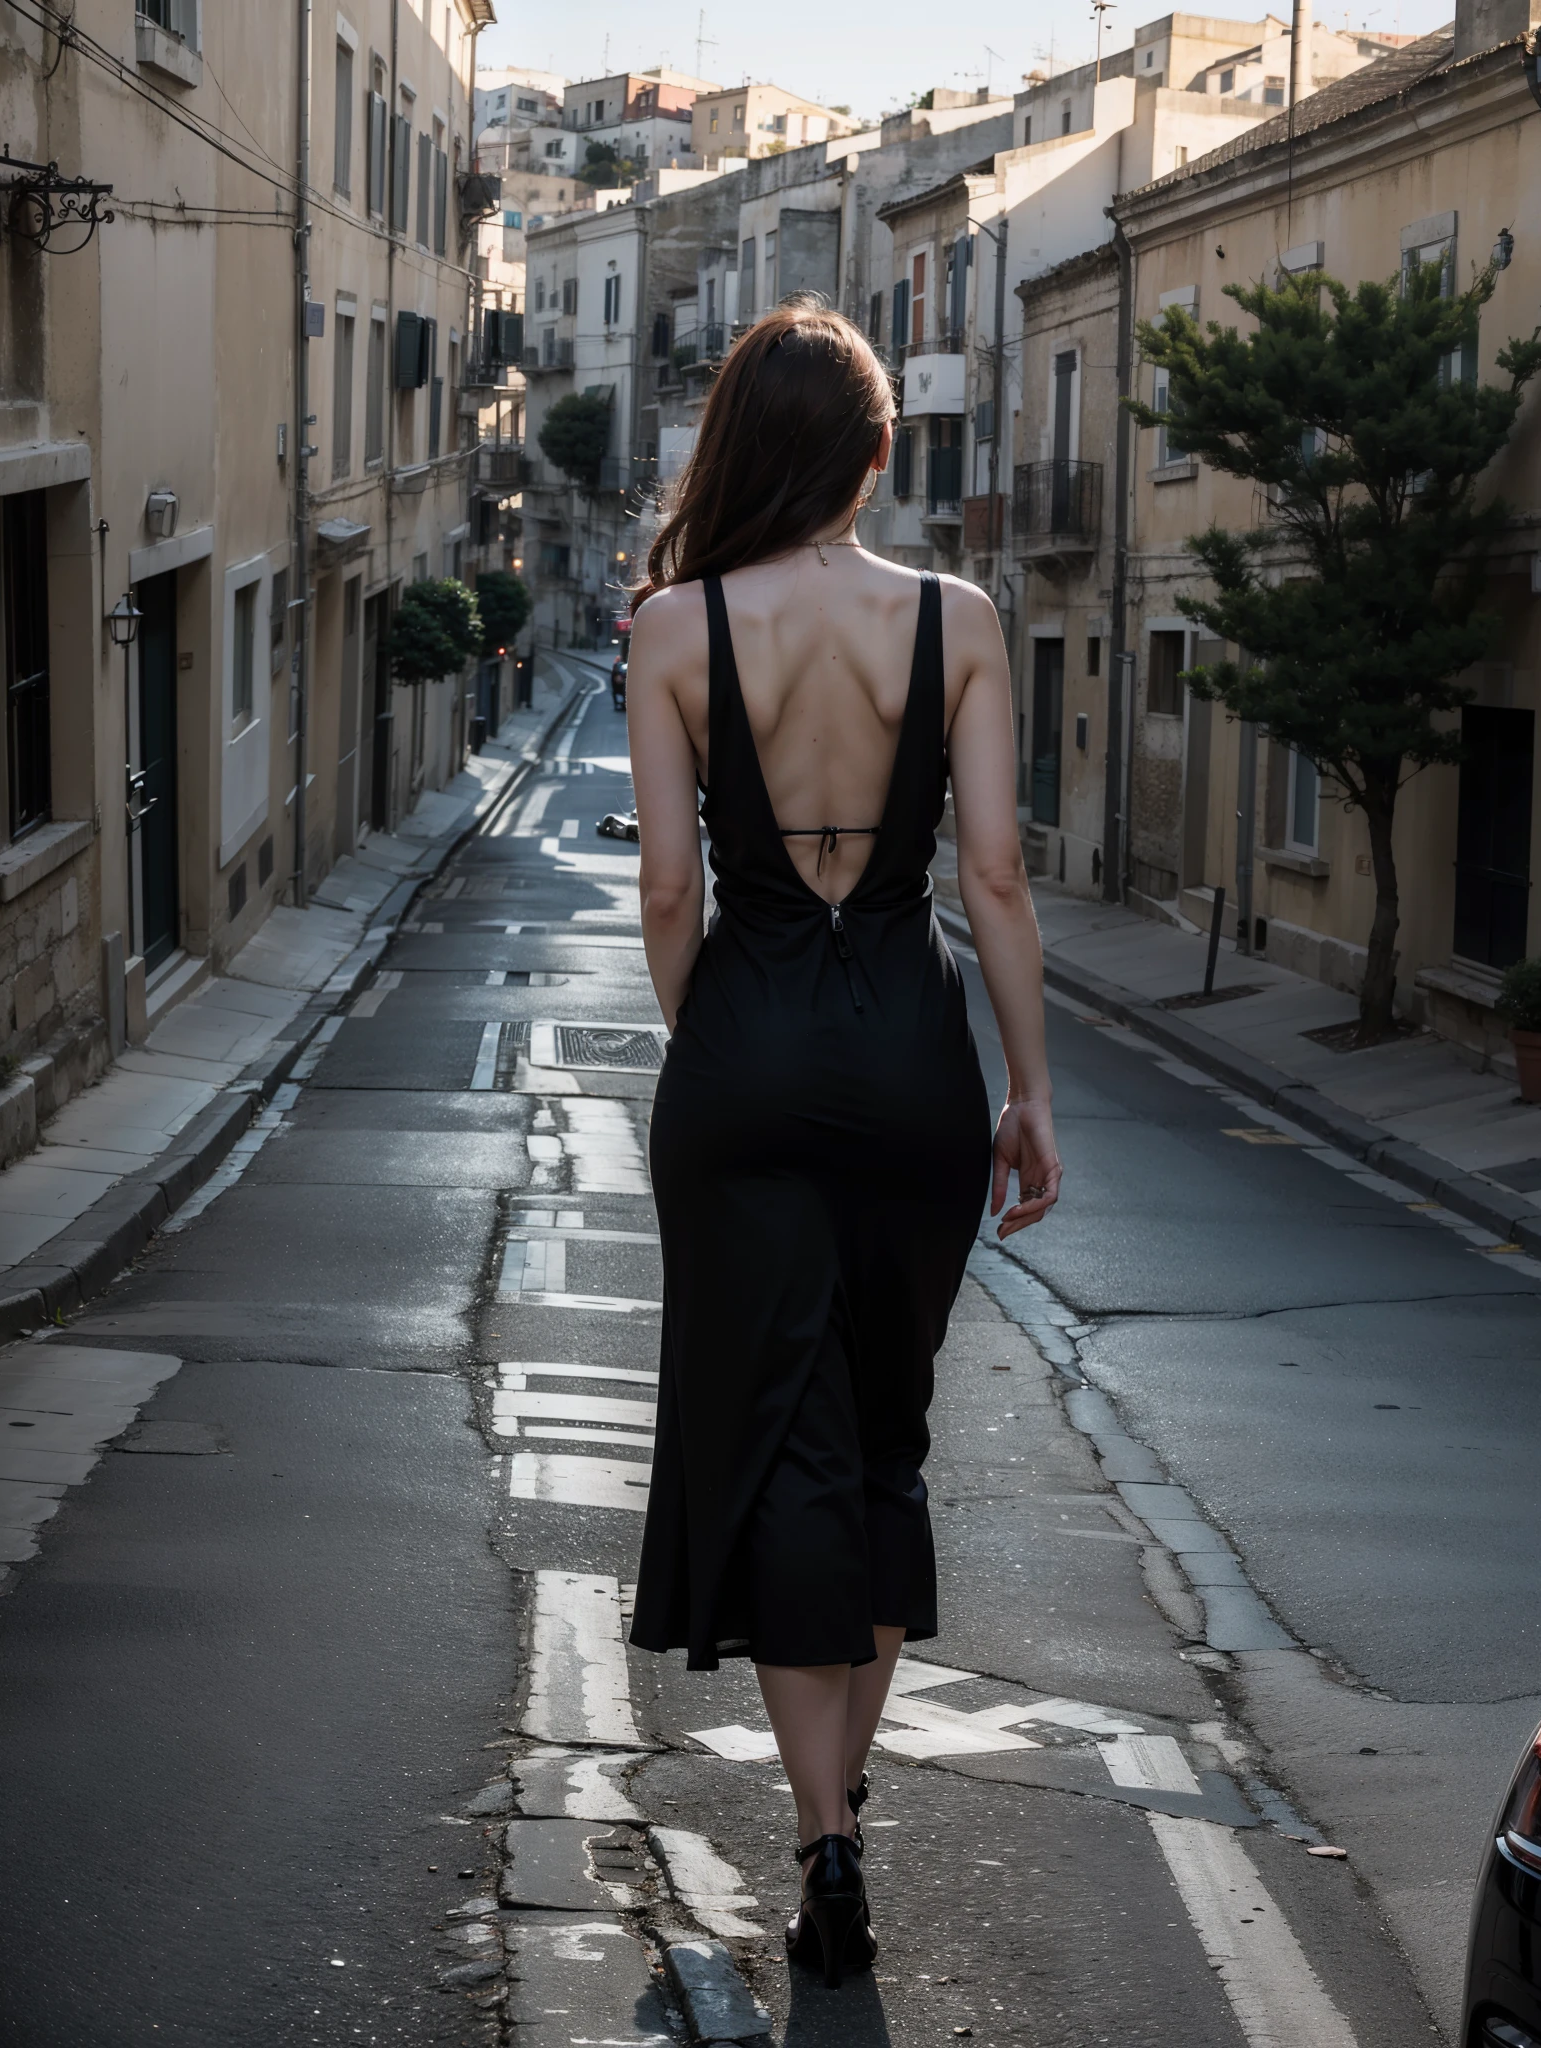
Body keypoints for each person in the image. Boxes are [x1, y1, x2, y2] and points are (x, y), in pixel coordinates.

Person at [622, 301, 1061, 1989]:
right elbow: (998, 878)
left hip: (746, 1050)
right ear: (880, 455)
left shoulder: (673, 628)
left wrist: (718, 1040)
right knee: (880, 1441)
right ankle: (844, 1820)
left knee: (774, 1442)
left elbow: (671, 892)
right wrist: (1030, 1091)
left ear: (738, 447)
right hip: (908, 1057)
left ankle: (821, 1842)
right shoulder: (954, 616)